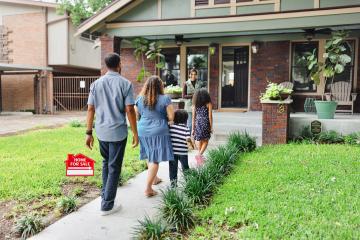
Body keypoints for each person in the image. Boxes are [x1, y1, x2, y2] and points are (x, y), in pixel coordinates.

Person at [86, 53, 138, 216]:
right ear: (119, 65)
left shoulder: (96, 84)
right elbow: (130, 109)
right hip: (117, 132)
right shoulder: (125, 84)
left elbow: (90, 109)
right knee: (114, 167)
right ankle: (107, 205)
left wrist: (88, 133)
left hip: (101, 132)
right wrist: (135, 133)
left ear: (106, 65)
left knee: (106, 163)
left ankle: (105, 197)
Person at [135, 76, 174, 197]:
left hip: (142, 129)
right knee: (155, 159)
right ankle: (148, 189)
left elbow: (137, 115)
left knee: (148, 154)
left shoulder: (140, 99)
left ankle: (155, 178)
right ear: (160, 86)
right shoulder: (165, 99)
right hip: (159, 130)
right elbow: (171, 117)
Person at [169, 109, 191, 187]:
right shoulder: (186, 128)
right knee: (185, 167)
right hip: (183, 152)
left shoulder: (171, 127)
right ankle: (189, 182)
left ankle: (173, 184)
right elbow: (188, 139)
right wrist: (191, 144)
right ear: (185, 119)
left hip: (173, 152)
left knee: (172, 169)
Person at [192, 89, 213, 165]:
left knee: (200, 140)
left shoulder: (195, 104)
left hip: (198, 123)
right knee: (206, 141)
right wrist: (211, 127)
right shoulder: (208, 104)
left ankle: (199, 159)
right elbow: (210, 116)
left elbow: (193, 117)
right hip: (205, 123)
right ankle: (199, 155)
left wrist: (193, 129)